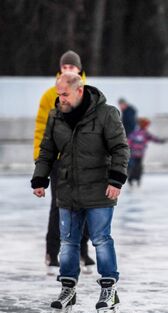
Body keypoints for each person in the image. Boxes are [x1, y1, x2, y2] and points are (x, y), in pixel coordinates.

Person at [31, 72, 129, 313]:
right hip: (68, 189)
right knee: (68, 243)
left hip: (99, 188)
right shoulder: (56, 116)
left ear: (79, 91)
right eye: (58, 94)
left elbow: (120, 148)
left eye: (64, 94)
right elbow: (47, 150)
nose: (60, 99)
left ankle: (109, 290)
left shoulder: (107, 114)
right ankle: (68, 289)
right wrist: (40, 177)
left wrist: (116, 179)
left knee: (101, 240)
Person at [33, 50, 95, 275]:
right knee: (58, 206)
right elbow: (41, 127)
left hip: (85, 160)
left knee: (86, 205)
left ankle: (81, 251)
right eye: (65, 67)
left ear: (79, 69)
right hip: (59, 160)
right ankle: (52, 252)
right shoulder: (51, 95)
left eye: (73, 67)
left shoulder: (89, 94)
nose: (69, 70)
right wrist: (41, 161)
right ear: (61, 69)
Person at [127, 117, 165, 187]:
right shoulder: (143, 133)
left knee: (136, 166)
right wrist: (161, 141)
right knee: (137, 166)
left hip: (136, 153)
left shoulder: (137, 133)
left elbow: (129, 141)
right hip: (136, 153)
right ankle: (134, 179)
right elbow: (154, 138)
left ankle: (134, 179)